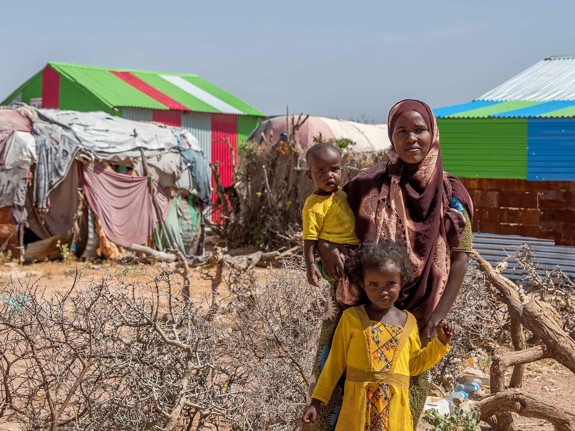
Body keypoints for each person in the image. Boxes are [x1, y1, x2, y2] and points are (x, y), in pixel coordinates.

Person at [309, 99, 473, 428]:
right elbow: (325, 216)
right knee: (330, 406)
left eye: (419, 130)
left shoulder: (451, 194)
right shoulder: (365, 185)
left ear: (433, 133)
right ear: (391, 136)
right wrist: (326, 248)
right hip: (355, 313)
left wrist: (436, 318)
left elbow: (461, 257)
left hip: (418, 318)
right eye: (402, 131)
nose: (411, 138)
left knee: (403, 407)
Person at [302, 241, 454, 430]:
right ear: (363, 284)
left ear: (402, 282)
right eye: (373, 284)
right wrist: (316, 402)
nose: (382, 291)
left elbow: (414, 366)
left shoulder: (409, 323)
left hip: (395, 417)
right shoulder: (352, 318)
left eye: (390, 284)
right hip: (356, 413)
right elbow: (334, 363)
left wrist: (440, 343)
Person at [302, 142, 358, 287]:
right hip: (336, 256)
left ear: (342, 171)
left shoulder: (343, 193)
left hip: (352, 249)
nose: (329, 176)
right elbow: (309, 239)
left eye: (334, 169)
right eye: (321, 171)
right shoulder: (313, 205)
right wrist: (310, 266)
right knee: (345, 289)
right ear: (310, 175)